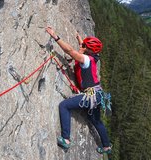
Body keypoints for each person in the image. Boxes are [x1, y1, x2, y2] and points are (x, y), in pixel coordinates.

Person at [45, 26, 112, 154]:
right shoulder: (94, 57)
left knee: (64, 106)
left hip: (90, 95)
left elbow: (70, 51)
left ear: (88, 49)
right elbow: (84, 47)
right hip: (97, 94)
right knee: (95, 120)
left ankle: (66, 139)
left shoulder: (85, 59)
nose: (83, 46)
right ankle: (106, 146)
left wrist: (55, 36)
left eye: (85, 46)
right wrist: (79, 39)